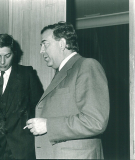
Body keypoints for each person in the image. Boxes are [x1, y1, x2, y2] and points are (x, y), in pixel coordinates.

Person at [26, 22, 110, 159]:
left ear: (62, 43)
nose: (41, 51)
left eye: (45, 44)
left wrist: (48, 125)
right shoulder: (62, 73)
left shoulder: (87, 65)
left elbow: (95, 121)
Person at [0, 34, 43, 159]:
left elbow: (40, 107)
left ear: (14, 54)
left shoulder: (27, 74)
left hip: (22, 148)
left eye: (7, 56)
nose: (2, 62)